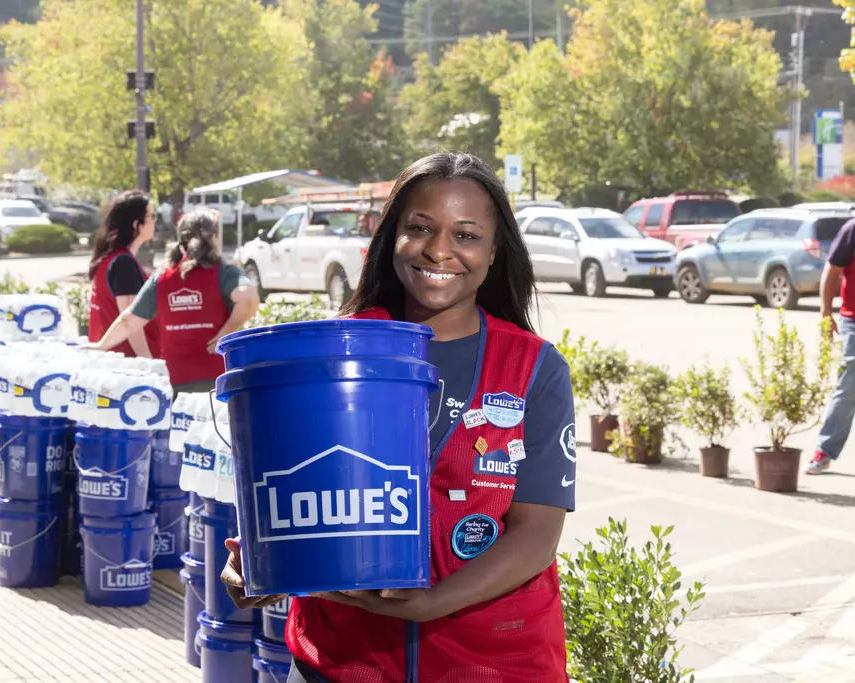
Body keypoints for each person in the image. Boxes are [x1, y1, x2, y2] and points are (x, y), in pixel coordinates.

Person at [221, 152, 576, 682]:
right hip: (338, 663)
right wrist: (263, 561)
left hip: (493, 666)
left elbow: (536, 535)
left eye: (466, 235)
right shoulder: (333, 349)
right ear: (393, 237)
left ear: (495, 249)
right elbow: (298, 496)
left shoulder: (532, 367)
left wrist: (432, 602)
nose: (439, 249)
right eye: (420, 228)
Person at [86, 208, 260, 392]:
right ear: (215, 237)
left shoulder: (162, 278)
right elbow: (248, 299)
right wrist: (228, 330)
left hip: (174, 381)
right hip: (217, 380)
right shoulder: (225, 274)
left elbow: (129, 321)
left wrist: (101, 345)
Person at [87, 190, 160, 358]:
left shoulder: (110, 259)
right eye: (152, 216)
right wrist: (147, 361)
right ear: (137, 224)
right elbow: (130, 322)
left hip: (113, 359)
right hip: (128, 362)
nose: (155, 221)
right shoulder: (123, 264)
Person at [810, 216, 855, 474]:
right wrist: (825, 314)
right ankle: (825, 450)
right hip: (854, 320)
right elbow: (833, 270)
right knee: (849, 387)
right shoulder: (852, 229)